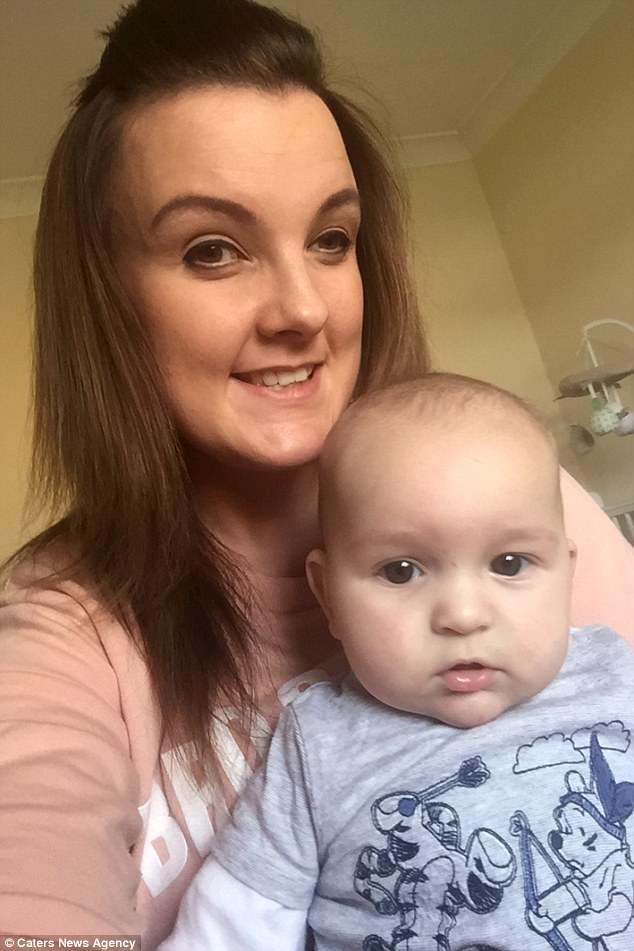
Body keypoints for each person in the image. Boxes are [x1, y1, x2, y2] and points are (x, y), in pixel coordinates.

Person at [0, 0, 632, 945]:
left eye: (332, 239)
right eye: (213, 250)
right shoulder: (61, 637)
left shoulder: (519, 509)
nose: (303, 309)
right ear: (109, 299)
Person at [161, 374, 634, 951]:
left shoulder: (614, 674)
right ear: (328, 596)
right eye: (401, 571)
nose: (462, 615)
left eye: (509, 563)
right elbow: (233, 926)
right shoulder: (319, 742)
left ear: (566, 573)